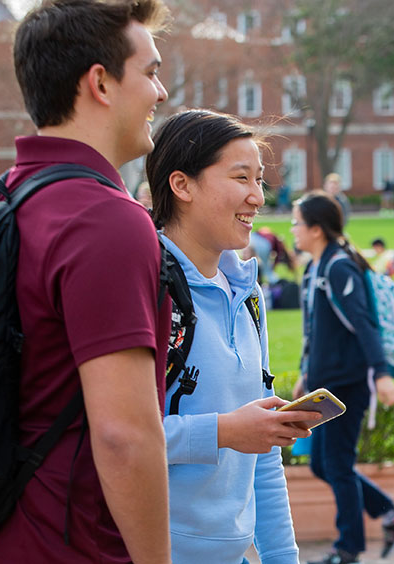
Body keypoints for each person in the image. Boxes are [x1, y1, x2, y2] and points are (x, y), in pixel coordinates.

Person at [0, 1, 173, 562]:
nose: (161, 93)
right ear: (100, 83)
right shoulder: (105, 220)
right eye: (151, 72)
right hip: (65, 546)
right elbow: (124, 434)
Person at [145, 109, 321, 564]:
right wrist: (225, 431)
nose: (257, 197)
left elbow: (263, 452)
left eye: (260, 180)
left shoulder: (248, 293)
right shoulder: (145, 288)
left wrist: (283, 557)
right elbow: (112, 439)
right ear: (181, 185)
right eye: (241, 178)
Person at [291, 193, 394, 564]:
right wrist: (304, 372)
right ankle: (391, 514)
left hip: (346, 385)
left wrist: (381, 374)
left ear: (316, 229)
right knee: (320, 464)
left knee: (338, 465)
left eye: (297, 223)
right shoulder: (316, 267)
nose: (292, 230)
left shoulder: (339, 268)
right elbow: (314, 328)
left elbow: (364, 325)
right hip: (324, 384)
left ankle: (348, 550)